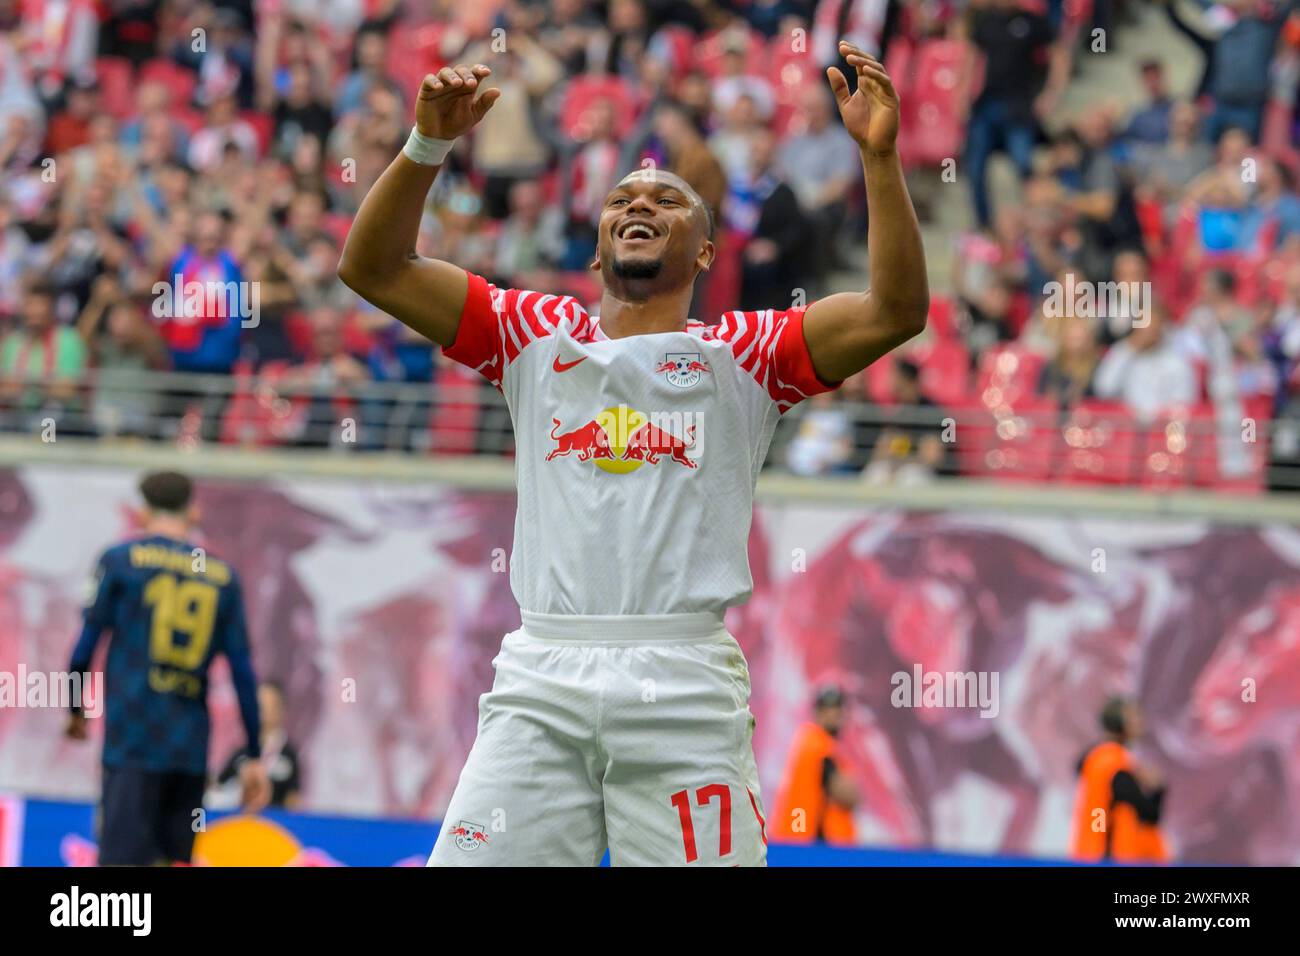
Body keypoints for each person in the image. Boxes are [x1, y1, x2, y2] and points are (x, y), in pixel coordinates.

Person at [338, 40, 928, 866]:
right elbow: (372, 267)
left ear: (707, 252)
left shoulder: (744, 357)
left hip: (683, 683)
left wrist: (880, 158)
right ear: (596, 245)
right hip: (543, 675)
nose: (639, 202)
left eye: (666, 198)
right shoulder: (531, 336)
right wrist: (428, 145)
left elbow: (896, 310)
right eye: (622, 198)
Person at [65, 470, 269, 865]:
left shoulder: (120, 562)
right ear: (192, 510)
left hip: (131, 743)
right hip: (188, 750)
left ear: (142, 513)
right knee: (173, 861)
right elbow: (244, 673)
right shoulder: (222, 577)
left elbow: (83, 650)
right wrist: (255, 753)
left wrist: (75, 710)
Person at [1069, 697, 1169, 863]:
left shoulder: (1098, 758)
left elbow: (1098, 811)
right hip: (1107, 856)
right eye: (1134, 718)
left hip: (1091, 852)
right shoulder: (1115, 764)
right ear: (1119, 723)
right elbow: (1148, 813)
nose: (1140, 723)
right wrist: (1157, 789)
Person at [768, 686, 860, 845]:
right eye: (828, 710)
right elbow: (847, 795)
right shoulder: (819, 745)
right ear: (818, 713)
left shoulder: (808, 742)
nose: (835, 715)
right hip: (806, 845)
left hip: (795, 840)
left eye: (838, 709)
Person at [216, 681, 302, 809]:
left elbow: (293, 801)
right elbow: (217, 789)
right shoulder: (242, 753)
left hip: (272, 826)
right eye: (260, 704)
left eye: (270, 705)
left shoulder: (289, 754)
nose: (264, 710)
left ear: (281, 709)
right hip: (239, 824)